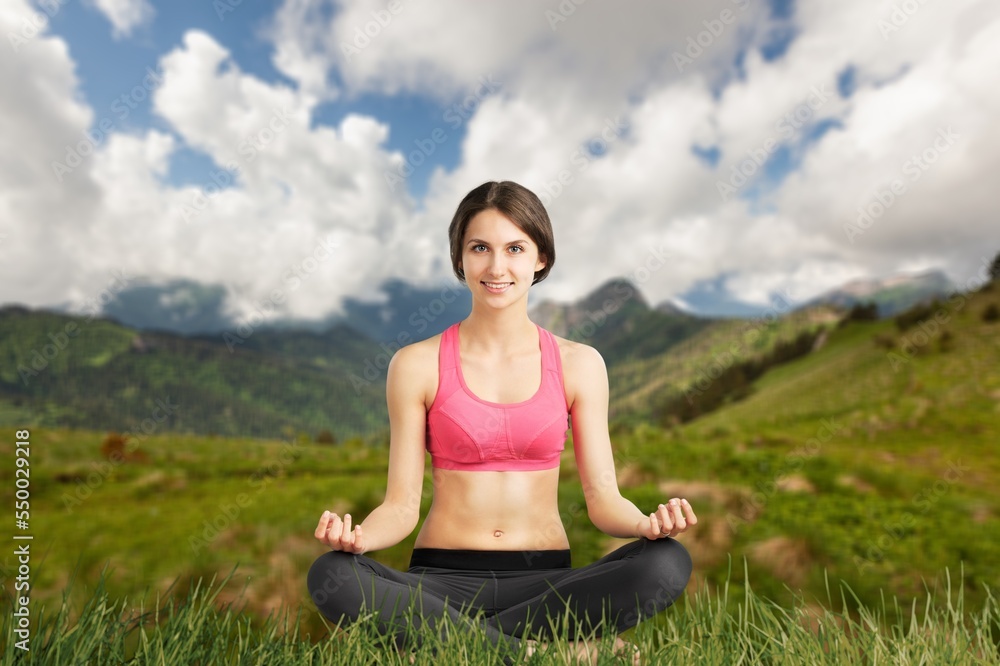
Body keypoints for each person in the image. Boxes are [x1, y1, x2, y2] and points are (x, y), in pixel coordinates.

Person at [307, 180, 696, 662]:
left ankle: (449, 648)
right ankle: (548, 654)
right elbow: (401, 506)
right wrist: (360, 538)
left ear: (540, 258)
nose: (496, 267)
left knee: (666, 562)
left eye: (515, 248)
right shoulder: (415, 364)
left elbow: (602, 500)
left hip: (546, 586)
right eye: (479, 248)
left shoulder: (580, 364)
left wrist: (646, 525)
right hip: (440, 584)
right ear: (460, 258)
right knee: (332, 573)